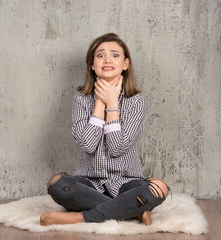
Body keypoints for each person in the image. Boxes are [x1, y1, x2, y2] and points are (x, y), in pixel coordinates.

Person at [40, 33, 170, 226]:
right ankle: (131, 212)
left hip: (127, 183)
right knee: (58, 183)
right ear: (92, 65)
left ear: (125, 64)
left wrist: (113, 104)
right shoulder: (81, 100)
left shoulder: (136, 102)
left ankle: (81, 217)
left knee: (158, 187)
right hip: (88, 184)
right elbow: (88, 144)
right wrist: (101, 102)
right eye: (100, 55)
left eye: (115, 55)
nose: (108, 59)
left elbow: (117, 148)